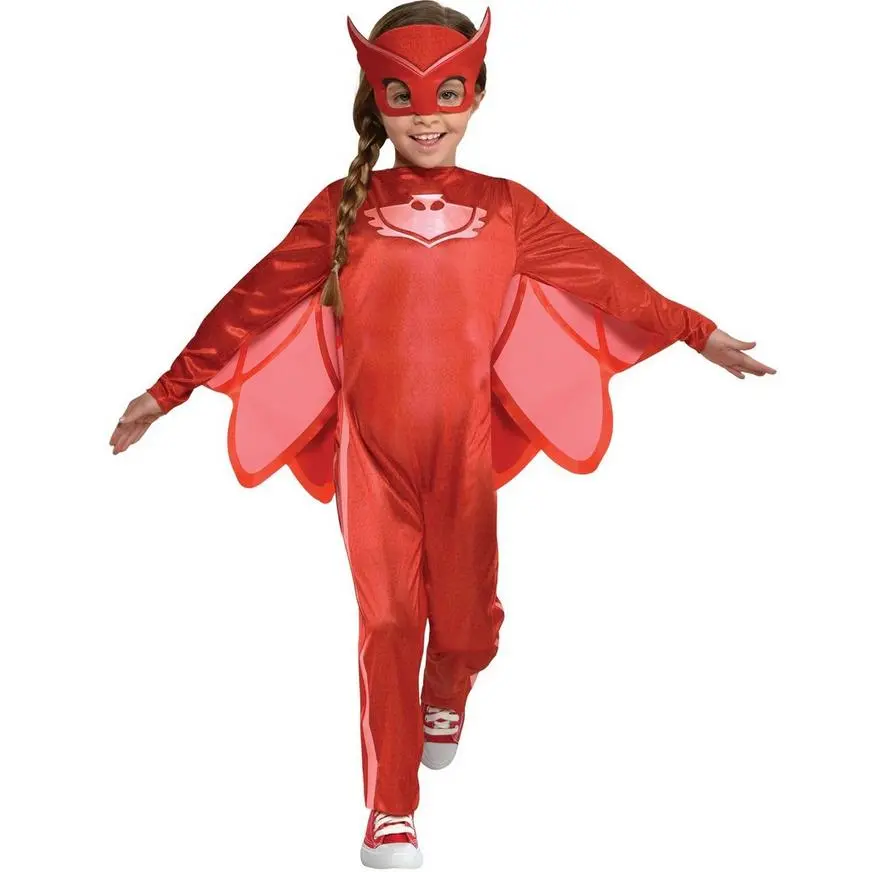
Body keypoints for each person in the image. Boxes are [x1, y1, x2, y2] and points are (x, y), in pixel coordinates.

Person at [109, 3, 776, 868]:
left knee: (464, 626)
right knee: (388, 621)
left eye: (447, 94)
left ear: (477, 95)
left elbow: (606, 280)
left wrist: (695, 331)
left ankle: (450, 683)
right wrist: (167, 392)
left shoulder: (508, 210)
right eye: (404, 97)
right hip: (371, 456)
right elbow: (253, 299)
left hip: (463, 453)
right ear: (377, 102)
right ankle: (390, 807)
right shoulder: (341, 210)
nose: (427, 116)